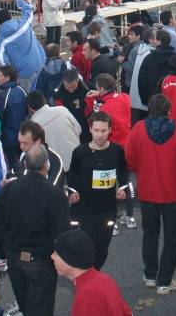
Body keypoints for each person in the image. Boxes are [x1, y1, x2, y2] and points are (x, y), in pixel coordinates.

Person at [0, 144, 71, 316]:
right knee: (42, 309)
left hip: (14, 258)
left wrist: (9, 246)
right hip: (42, 260)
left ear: (25, 164)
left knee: (25, 305)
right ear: (46, 165)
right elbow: (62, 232)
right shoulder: (55, 194)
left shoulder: (9, 188)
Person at [125, 94, 176, 295]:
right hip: (174, 192)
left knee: (150, 234)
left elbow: (130, 159)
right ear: (168, 110)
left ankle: (151, 275)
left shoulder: (138, 130)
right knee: (172, 237)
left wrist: (143, 170)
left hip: (148, 191)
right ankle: (165, 280)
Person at [67, 112, 130, 270]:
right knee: (88, 247)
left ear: (110, 130)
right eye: (96, 130)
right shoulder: (80, 152)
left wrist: (124, 189)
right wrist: (71, 192)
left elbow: (123, 170)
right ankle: (87, 276)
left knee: (102, 248)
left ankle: (94, 273)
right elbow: (72, 174)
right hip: (85, 209)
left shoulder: (117, 151)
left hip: (108, 210)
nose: (100, 135)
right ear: (90, 129)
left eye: (103, 130)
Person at [52, 229, 133, 316]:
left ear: (70, 262)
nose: (52, 256)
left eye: (56, 254)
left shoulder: (87, 294)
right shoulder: (105, 279)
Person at [0, 0, 46, 90]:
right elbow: (28, 8)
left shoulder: (0, 38)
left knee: (29, 97)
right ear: (10, 17)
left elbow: (2, 60)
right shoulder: (24, 23)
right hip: (40, 63)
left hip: (23, 74)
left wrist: (12, 76)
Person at [27, 91, 81, 171]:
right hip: (77, 159)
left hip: (57, 168)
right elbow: (79, 129)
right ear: (45, 100)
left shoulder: (33, 125)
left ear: (29, 107)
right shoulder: (62, 110)